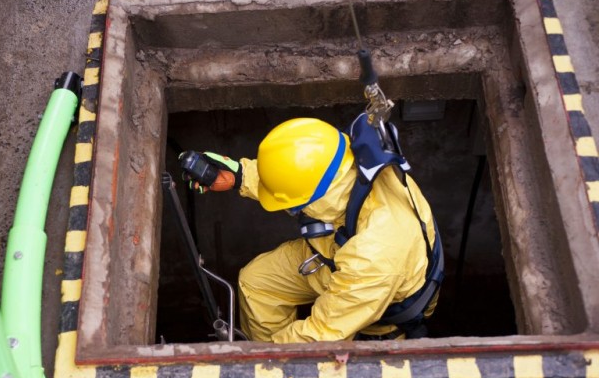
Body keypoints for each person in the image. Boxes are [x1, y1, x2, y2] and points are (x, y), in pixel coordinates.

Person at [180, 115, 443, 343]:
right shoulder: (346, 161)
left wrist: (263, 361)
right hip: (336, 249)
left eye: (297, 207)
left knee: (316, 346)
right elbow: (297, 171)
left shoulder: (375, 253)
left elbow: (321, 333)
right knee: (257, 283)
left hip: (381, 298)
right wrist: (239, 176)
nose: (295, 212)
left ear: (317, 199)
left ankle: (278, 377)